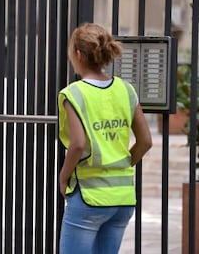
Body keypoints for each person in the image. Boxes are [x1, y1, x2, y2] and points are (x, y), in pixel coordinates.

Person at [58, 23, 152, 254]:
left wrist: (63, 177)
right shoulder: (126, 89)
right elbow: (146, 141)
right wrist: (122, 163)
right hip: (122, 198)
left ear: (78, 54)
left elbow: (78, 144)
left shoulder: (74, 93)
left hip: (89, 196)